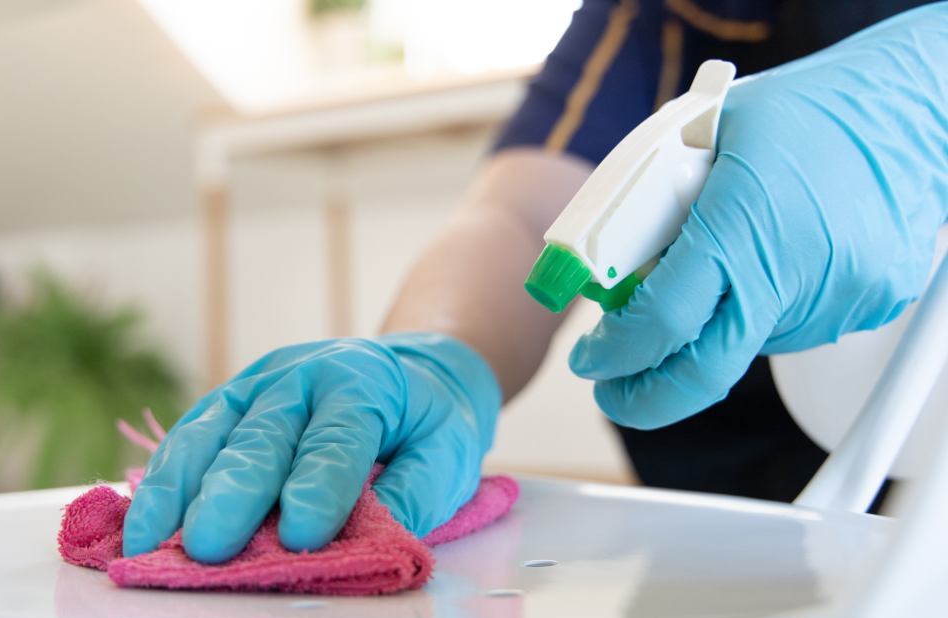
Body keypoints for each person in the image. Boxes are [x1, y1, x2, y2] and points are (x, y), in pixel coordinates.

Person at [123, 1, 948, 564]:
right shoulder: (658, 14)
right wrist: (436, 352)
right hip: (719, 535)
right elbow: (523, 216)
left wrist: (927, 95)